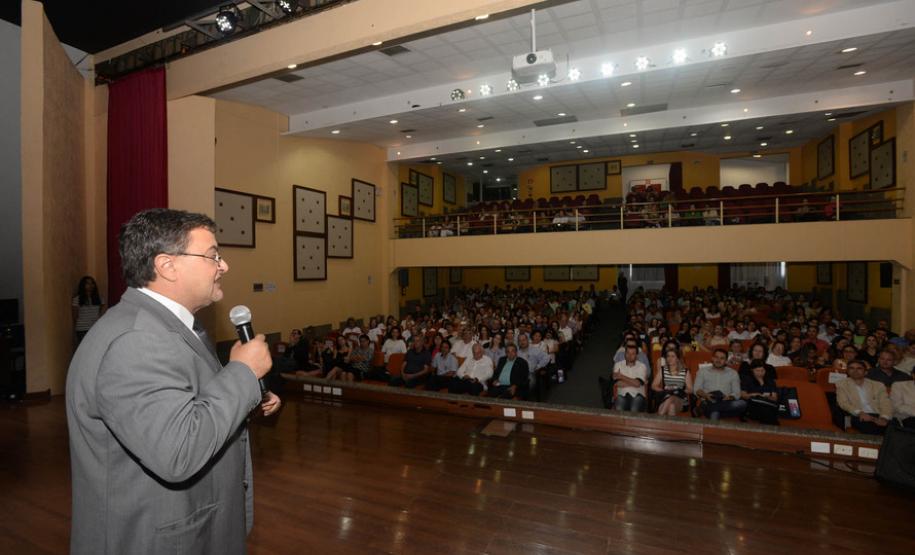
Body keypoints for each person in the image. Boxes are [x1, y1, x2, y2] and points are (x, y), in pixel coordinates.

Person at [65, 208, 279, 555]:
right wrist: (241, 374)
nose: (224, 266)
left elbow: (185, 406)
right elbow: (178, 451)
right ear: (167, 266)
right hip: (158, 539)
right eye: (212, 256)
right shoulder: (135, 339)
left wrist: (247, 393)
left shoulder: (167, 326)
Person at [836, 359, 892, 434]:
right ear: (848, 371)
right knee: (873, 429)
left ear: (866, 372)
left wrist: (884, 417)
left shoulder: (878, 385)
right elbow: (844, 403)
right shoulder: (841, 384)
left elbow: (885, 403)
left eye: (859, 368)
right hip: (857, 415)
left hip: (877, 414)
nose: (855, 370)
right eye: (851, 368)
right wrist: (860, 413)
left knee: (895, 428)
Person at [694, 348, 746, 420]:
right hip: (709, 400)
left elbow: (737, 393)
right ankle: (713, 408)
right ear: (712, 358)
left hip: (727, 402)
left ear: (726, 361)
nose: (718, 360)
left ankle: (704, 408)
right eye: (716, 357)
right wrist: (705, 395)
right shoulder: (702, 371)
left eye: (722, 358)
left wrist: (729, 397)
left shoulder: (733, 373)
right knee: (715, 412)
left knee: (742, 403)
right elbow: (697, 389)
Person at [651, 349, 692, 416]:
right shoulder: (663, 370)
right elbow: (654, 385)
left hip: (680, 398)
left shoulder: (685, 372)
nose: (670, 358)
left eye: (673, 356)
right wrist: (664, 390)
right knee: (671, 406)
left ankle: (659, 415)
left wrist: (677, 389)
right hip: (666, 396)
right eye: (668, 356)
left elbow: (690, 389)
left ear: (678, 358)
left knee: (672, 397)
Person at [611, 344, 648, 412]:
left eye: (633, 354)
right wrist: (634, 382)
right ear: (625, 354)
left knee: (634, 409)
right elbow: (618, 383)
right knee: (619, 408)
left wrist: (622, 376)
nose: (629, 356)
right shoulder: (618, 365)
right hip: (622, 394)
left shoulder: (642, 366)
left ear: (637, 356)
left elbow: (637, 383)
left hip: (638, 395)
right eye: (628, 353)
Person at [72, 275, 107, 344]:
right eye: (87, 283)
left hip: (95, 328)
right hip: (82, 329)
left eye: (92, 283)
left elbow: (101, 312)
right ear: (83, 285)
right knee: (84, 350)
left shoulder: (99, 299)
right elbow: (75, 316)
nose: (90, 285)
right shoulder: (77, 299)